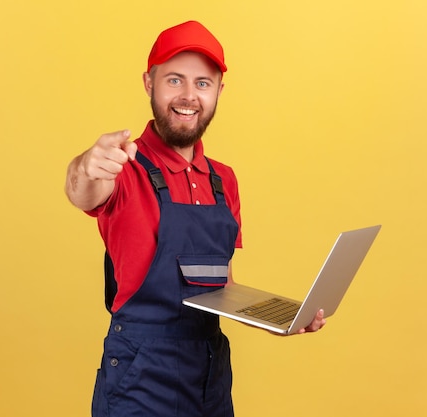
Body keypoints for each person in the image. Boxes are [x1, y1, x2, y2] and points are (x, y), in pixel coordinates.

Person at [65, 20, 326, 417]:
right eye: (175, 80)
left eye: (202, 83)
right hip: (141, 375)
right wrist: (87, 165)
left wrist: (283, 317)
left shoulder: (225, 180)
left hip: (209, 373)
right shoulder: (124, 167)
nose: (188, 96)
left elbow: (223, 287)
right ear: (149, 82)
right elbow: (82, 190)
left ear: (219, 91)